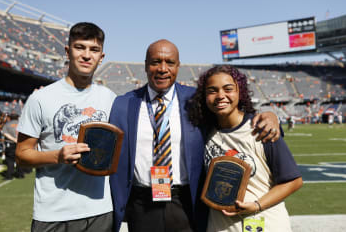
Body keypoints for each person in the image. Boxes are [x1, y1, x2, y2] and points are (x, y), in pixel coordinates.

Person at [109, 39, 281, 232]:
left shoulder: (196, 100)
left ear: (178, 66)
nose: (163, 68)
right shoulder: (124, 104)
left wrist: (270, 117)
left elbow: (233, 116)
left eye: (170, 63)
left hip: (186, 202)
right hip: (142, 204)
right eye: (156, 62)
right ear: (146, 65)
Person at [16, 22, 116, 232]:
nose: (87, 55)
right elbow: (21, 155)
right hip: (53, 213)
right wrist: (57, 156)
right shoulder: (40, 99)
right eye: (80, 47)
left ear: (101, 57)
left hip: (100, 210)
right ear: (68, 51)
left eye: (94, 50)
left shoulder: (110, 99)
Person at [188, 65, 302, 232]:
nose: (221, 96)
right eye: (212, 91)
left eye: (228, 89)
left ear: (240, 92)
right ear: (204, 97)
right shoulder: (203, 133)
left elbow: (293, 181)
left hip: (265, 224)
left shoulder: (262, 129)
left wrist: (256, 205)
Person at [1, 113, 23, 180]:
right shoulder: (22, 123)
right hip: (20, 143)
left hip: (11, 143)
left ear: (10, 117)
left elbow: (4, 133)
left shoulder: (7, 124)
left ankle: (9, 175)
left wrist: (13, 139)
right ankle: (20, 174)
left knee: (10, 160)